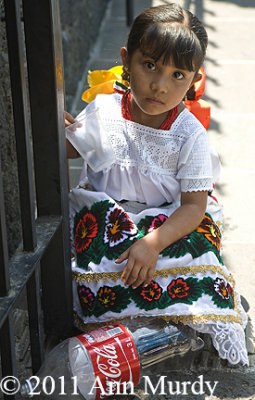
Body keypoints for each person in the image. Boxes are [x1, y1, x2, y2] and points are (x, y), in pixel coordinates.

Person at [65, 3, 248, 366]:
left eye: (178, 74)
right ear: (126, 59)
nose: (160, 86)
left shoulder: (188, 135)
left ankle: (178, 328)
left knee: (197, 268)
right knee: (99, 269)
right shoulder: (104, 111)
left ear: (195, 79)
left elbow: (194, 206)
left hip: (170, 222)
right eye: (150, 66)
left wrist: (153, 243)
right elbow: (72, 149)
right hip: (110, 218)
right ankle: (126, 330)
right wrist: (65, 126)